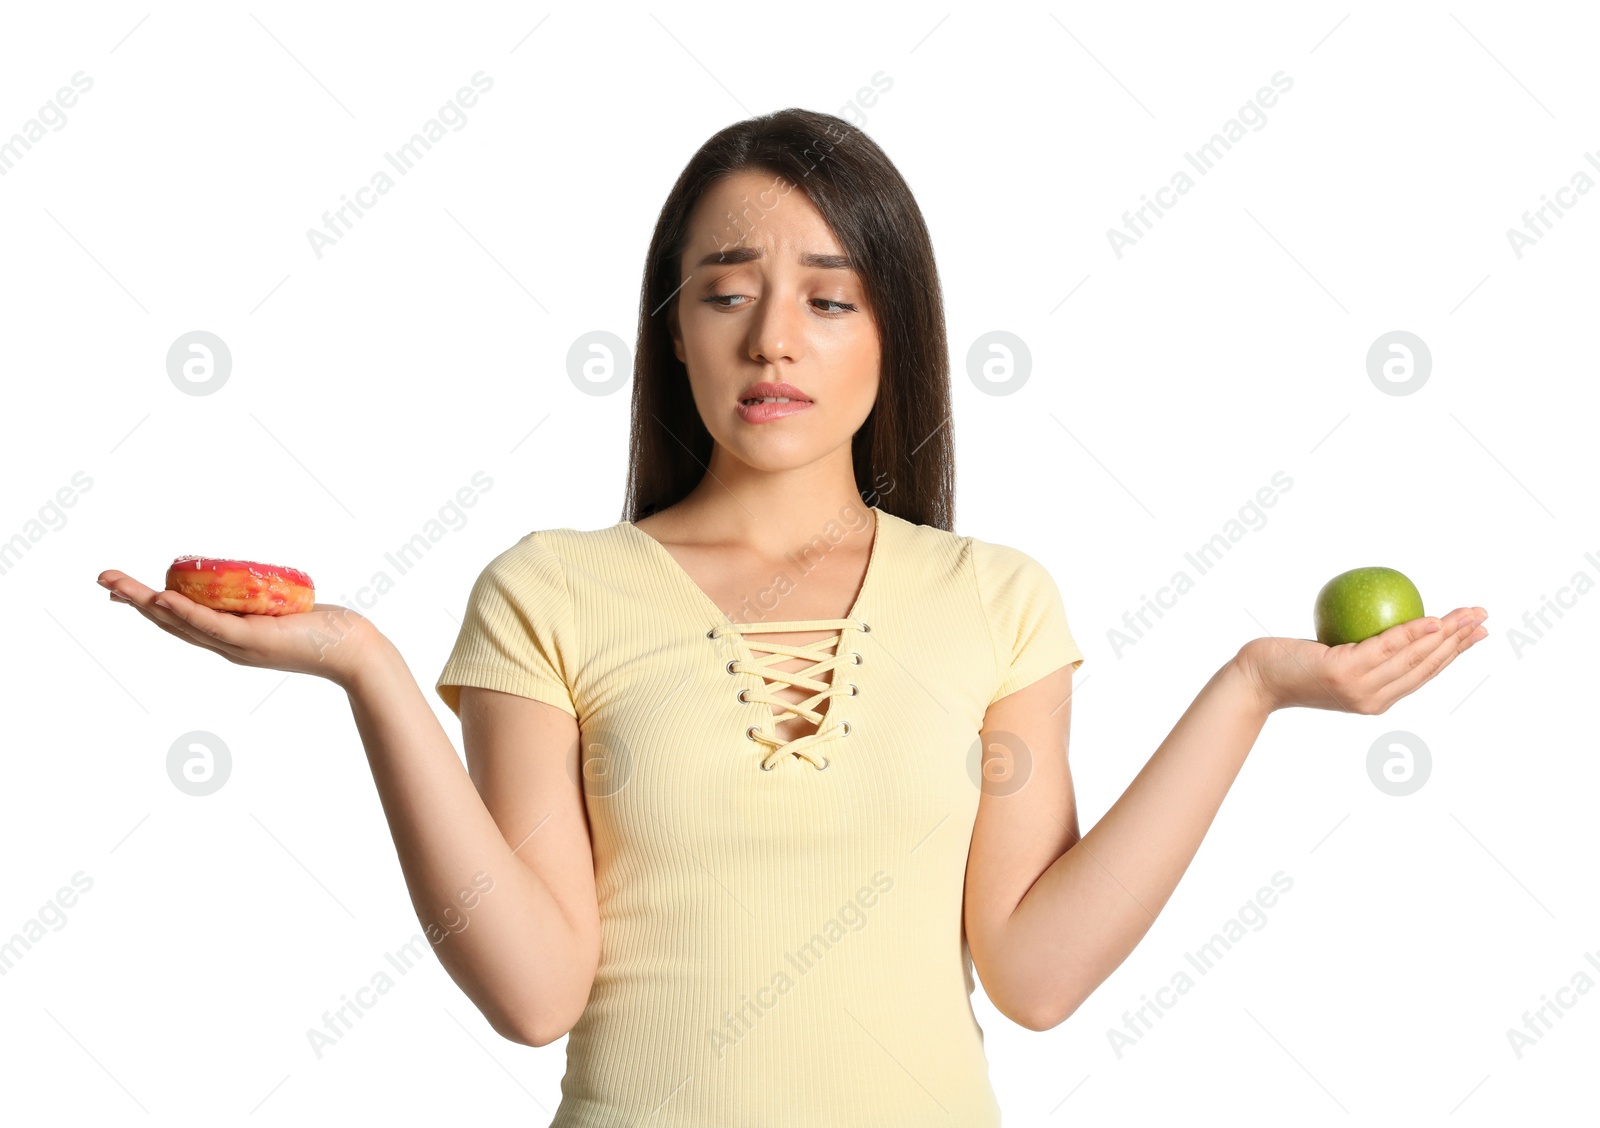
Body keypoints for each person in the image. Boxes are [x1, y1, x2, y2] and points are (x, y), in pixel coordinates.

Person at [96, 108, 1488, 1126]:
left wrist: (1249, 688)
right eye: (728, 294)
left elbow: (1039, 972)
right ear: (675, 333)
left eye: (829, 298)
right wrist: (368, 670)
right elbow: (533, 994)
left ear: (893, 336)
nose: (774, 339)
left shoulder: (994, 599)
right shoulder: (548, 593)